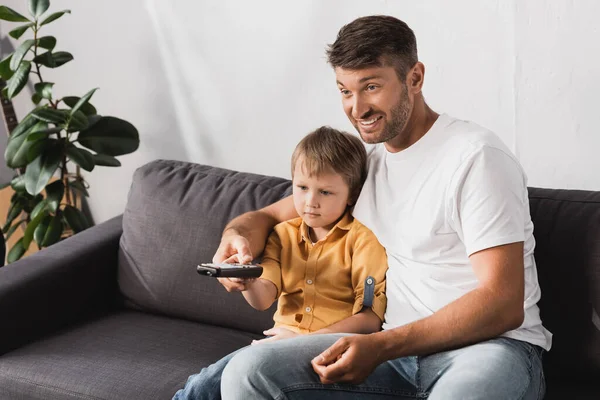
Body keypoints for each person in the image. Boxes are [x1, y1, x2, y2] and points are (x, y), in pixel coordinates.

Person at [213, 15, 552, 400]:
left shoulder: (476, 157)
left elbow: (503, 304)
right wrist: (235, 239)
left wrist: (383, 345)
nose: (357, 108)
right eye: (344, 91)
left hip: (490, 348)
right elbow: (266, 217)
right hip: (392, 353)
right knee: (248, 370)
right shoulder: (364, 169)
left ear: (415, 78)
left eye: (371, 86)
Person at [173, 126, 389, 400]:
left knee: (221, 379)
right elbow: (264, 299)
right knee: (202, 385)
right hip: (277, 344)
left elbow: (370, 319)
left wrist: (304, 342)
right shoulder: (283, 234)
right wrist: (247, 281)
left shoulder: (363, 241)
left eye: (325, 192)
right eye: (301, 188)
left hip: (332, 348)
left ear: (352, 195)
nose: (310, 202)